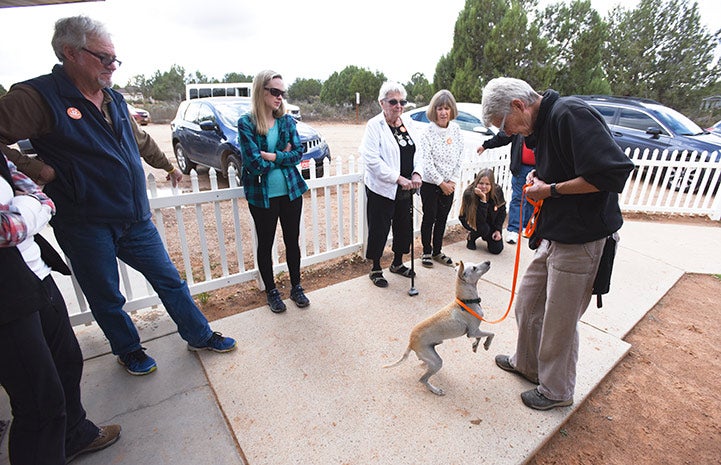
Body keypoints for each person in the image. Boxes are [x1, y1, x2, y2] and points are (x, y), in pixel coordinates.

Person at [0, 15, 236, 377]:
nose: (112, 65)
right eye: (104, 57)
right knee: (107, 296)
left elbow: (139, 140)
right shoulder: (38, 97)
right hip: (85, 222)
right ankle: (128, 349)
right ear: (71, 53)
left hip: (135, 217)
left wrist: (168, 167)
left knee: (170, 280)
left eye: (115, 59)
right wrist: (36, 171)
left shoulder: (112, 98)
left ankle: (198, 334)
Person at [480, 77, 634, 410]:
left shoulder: (569, 114)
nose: (509, 134)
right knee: (529, 303)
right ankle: (527, 364)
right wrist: (540, 180)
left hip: (583, 238)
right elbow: (562, 172)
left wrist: (549, 191)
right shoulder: (544, 125)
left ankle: (556, 390)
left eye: (506, 126)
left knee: (559, 321)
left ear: (519, 106)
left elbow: (612, 174)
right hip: (557, 233)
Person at [0, 153, 121, 464]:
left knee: (67, 358)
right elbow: (8, 226)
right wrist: (31, 210)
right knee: (40, 402)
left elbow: (39, 195)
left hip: (35, 272)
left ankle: (74, 435)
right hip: (8, 296)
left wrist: (27, 209)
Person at [237, 70, 310, 313]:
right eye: (275, 92)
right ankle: (271, 291)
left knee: (292, 242)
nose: (280, 97)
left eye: (282, 93)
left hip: (291, 192)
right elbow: (252, 163)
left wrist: (272, 156)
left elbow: (298, 153)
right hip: (262, 195)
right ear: (261, 91)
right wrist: (281, 156)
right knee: (266, 243)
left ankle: (296, 287)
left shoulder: (287, 121)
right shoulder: (246, 123)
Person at [359, 81, 423, 288]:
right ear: (382, 103)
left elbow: (419, 151)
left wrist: (416, 173)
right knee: (379, 227)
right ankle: (376, 267)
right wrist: (397, 177)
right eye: (393, 102)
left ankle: (397, 263)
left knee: (403, 226)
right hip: (383, 188)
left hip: (406, 188)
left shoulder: (408, 123)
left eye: (402, 102)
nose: (398, 106)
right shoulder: (374, 125)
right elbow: (371, 159)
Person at [417, 89, 463, 268]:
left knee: (442, 218)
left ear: (451, 110)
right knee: (430, 217)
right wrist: (441, 183)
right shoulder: (426, 132)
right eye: (439, 108)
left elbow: (460, 156)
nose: (443, 112)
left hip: (449, 185)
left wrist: (451, 181)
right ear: (433, 110)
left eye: (446, 108)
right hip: (431, 184)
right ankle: (426, 252)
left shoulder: (456, 130)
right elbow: (426, 162)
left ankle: (437, 251)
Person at [477, 132, 535, 244]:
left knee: (533, 199)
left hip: (538, 169)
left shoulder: (543, 125)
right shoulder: (519, 124)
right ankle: (514, 229)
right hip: (521, 168)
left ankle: (526, 226)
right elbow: (503, 136)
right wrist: (486, 145)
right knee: (518, 198)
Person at [458, 168, 506, 255]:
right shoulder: (469, 193)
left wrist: (498, 230)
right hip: (473, 221)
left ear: (492, 184)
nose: (484, 187)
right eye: (481, 183)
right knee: (484, 229)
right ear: (476, 182)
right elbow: (479, 220)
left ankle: (487, 235)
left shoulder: (497, 191)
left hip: (490, 222)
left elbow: (502, 212)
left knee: (496, 249)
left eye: (487, 184)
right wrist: (483, 200)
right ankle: (471, 237)